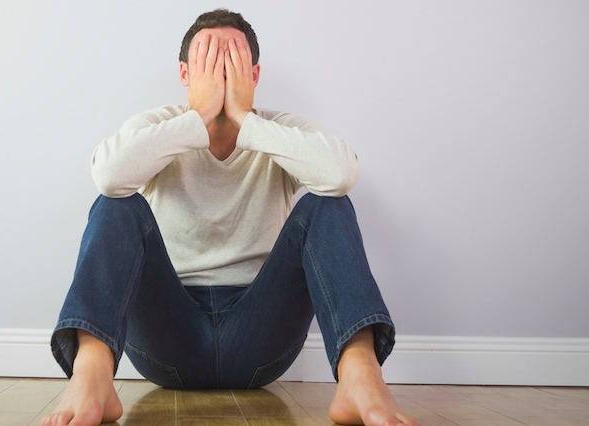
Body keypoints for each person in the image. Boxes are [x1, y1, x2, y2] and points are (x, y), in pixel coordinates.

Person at [42, 9, 418, 426]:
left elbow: (341, 174)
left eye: (232, 63)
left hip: (259, 337)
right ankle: (92, 374)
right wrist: (199, 117)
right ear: (185, 73)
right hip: (170, 339)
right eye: (208, 61)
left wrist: (243, 118)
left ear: (253, 75)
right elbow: (108, 177)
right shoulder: (158, 128)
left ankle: (360, 375)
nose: (220, 73)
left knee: (328, 203)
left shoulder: (280, 131)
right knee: (114, 204)